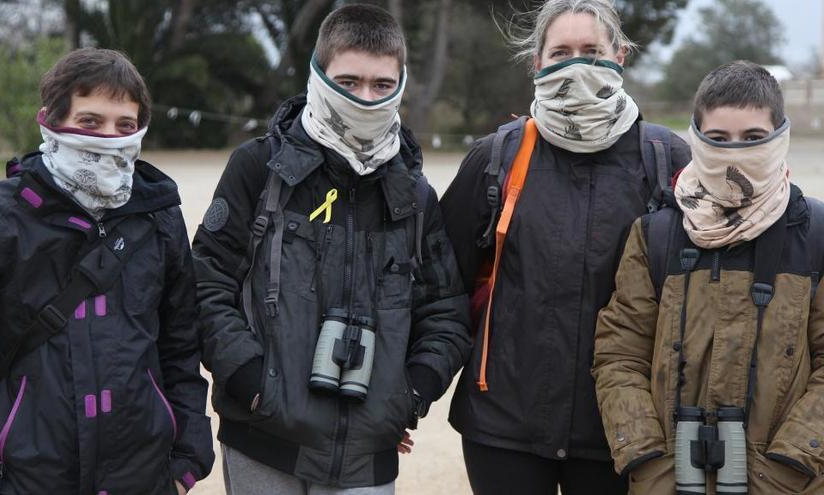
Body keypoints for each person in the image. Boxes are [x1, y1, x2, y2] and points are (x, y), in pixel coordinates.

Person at [192, 5, 472, 494]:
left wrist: (407, 395)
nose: (365, 98)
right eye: (348, 81)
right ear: (318, 76)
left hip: (368, 454)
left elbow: (446, 311)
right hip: (263, 435)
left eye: (382, 85)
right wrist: (250, 380)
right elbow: (207, 280)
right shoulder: (258, 167)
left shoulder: (415, 194)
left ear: (401, 82)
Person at [441, 1, 692, 493]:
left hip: (623, 430)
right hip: (503, 427)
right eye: (560, 53)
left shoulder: (667, 159)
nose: (577, 64)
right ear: (537, 63)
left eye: (592, 51)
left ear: (620, 57)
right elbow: (439, 283)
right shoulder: (496, 156)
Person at [0, 48, 214, 495]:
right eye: (90, 122)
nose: (109, 137)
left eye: (124, 126)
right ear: (49, 121)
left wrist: (186, 460)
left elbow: (180, 346)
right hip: (22, 479)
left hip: (142, 477)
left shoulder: (159, 219)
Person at [593, 61, 824, 494]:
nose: (734, 151)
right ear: (697, 140)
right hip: (671, 479)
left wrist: (787, 467)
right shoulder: (656, 235)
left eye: (753, 138)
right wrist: (649, 463)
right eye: (718, 140)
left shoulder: (815, 235)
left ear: (779, 136)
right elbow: (619, 354)